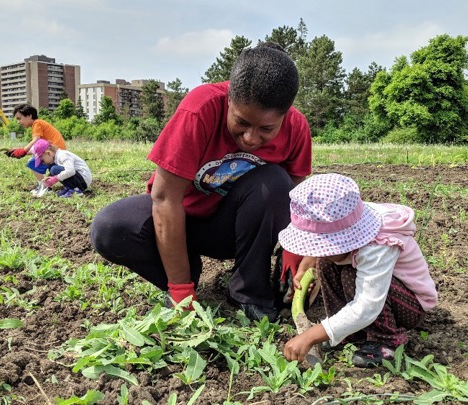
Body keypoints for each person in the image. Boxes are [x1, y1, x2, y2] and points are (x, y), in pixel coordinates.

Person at [90, 42, 313, 321]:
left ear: (286, 114)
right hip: (181, 221)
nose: (251, 138)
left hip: (236, 230)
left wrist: (295, 249)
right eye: (242, 122)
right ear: (229, 98)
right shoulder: (200, 109)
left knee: (277, 182)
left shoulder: (297, 127)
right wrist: (181, 289)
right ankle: (184, 275)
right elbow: (164, 198)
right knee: (110, 228)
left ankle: (248, 290)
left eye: (266, 128)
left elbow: (297, 201)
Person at [279, 173, 438, 367]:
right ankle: (349, 332)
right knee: (326, 263)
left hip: (409, 306)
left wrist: (312, 335)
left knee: (350, 274)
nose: (319, 251)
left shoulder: (377, 248)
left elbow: (367, 306)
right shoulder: (346, 217)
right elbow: (326, 239)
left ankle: (387, 340)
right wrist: (308, 262)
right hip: (383, 298)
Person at [7, 103, 67, 197]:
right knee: (35, 160)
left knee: (32, 162)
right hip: (55, 151)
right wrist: (20, 150)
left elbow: (36, 140)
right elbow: (38, 148)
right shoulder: (38, 124)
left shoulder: (37, 123)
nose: (18, 122)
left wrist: (23, 151)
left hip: (54, 151)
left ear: (29, 116)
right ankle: (45, 186)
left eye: (19, 118)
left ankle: (44, 187)